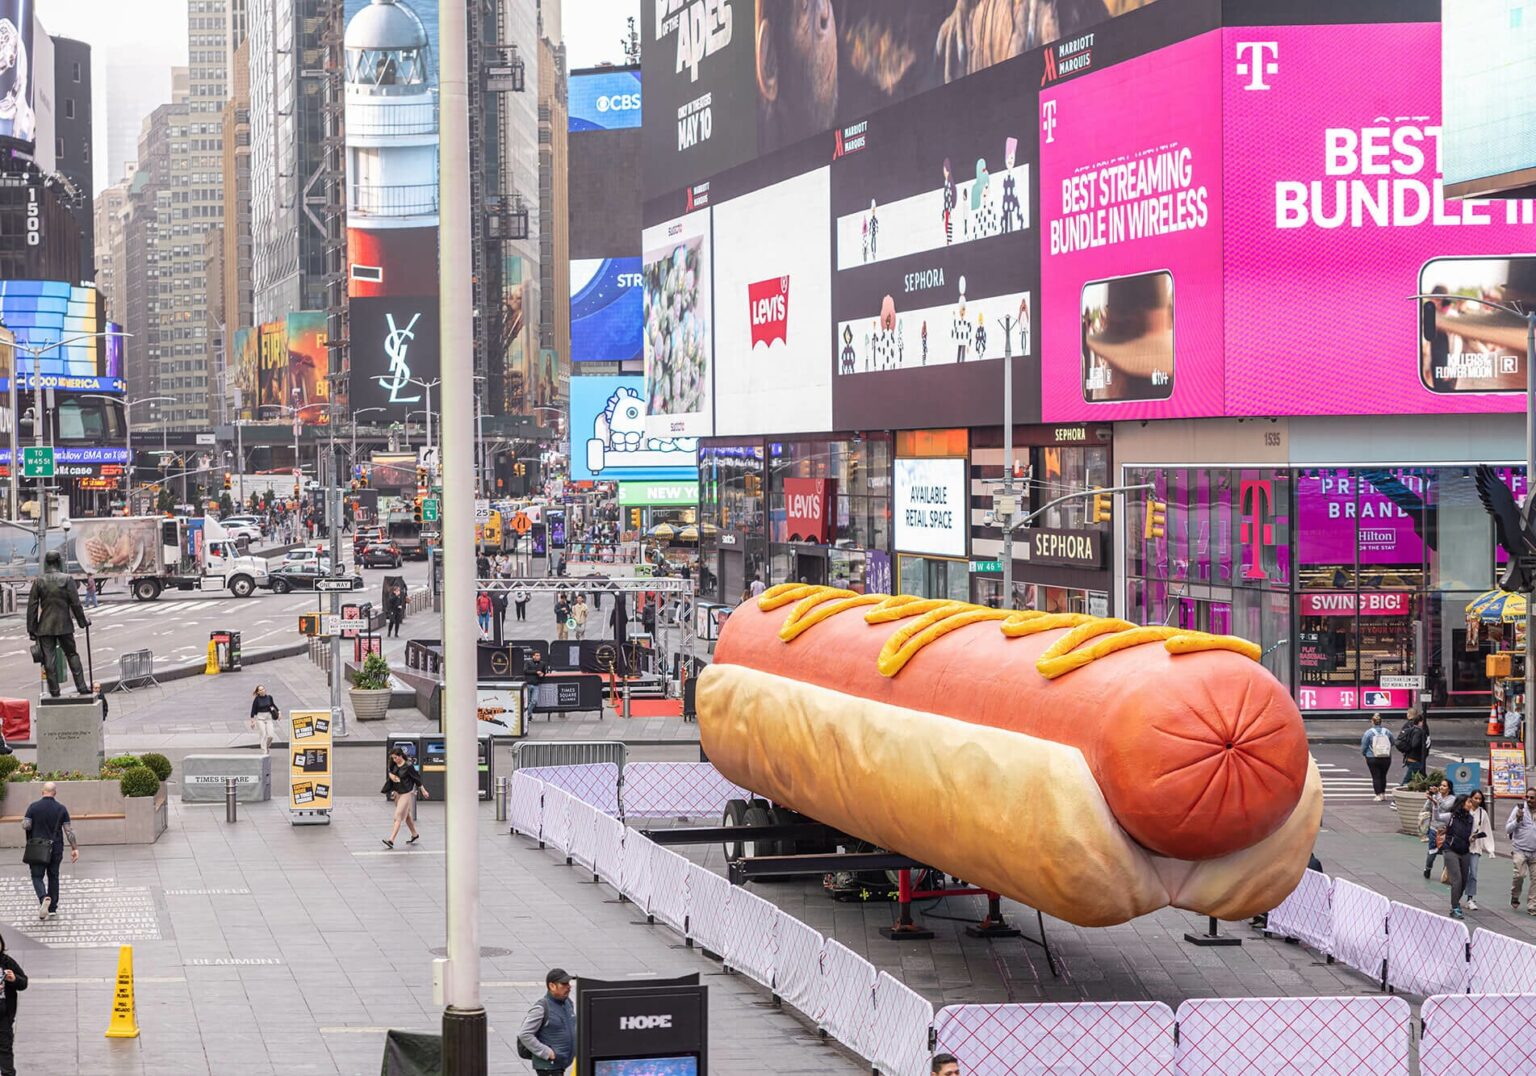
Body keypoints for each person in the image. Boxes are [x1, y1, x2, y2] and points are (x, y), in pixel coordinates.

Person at [26, 550, 91, 697]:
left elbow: (32, 607)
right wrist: (82, 622)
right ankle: (82, 687)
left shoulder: (39, 581)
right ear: (58, 562)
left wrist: (32, 629)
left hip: (45, 627)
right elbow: (75, 604)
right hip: (64, 625)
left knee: (49, 660)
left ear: (46, 563)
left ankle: (54, 692)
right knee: (72, 654)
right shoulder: (67, 579)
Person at [21, 782, 78, 920]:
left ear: (42, 792)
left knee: (36, 876)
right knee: (53, 876)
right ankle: (52, 908)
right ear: (55, 793)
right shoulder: (61, 809)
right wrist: (74, 848)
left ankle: (43, 898)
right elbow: (68, 831)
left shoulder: (33, 807)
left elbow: (26, 825)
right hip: (56, 848)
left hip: (38, 848)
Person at [518, 968, 576, 1073]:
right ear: (552, 986)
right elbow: (524, 1034)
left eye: (568, 983)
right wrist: (547, 1053)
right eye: (564, 984)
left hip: (560, 1064)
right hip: (548, 1067)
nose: (569, 987)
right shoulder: (541, 1008)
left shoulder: (568, 1003)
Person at [1441, 793, 1484, 919]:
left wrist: (1473, 837)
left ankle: (1456, 903)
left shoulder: (1470, 818)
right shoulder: (1451, 816)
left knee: (1464, 881)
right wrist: (1433, 804)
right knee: (1457, 879)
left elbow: (1469, 834)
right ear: (1462, 803)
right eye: (1469, 802)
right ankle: (1454, 907)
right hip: (1450, 850)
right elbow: (1437, 816)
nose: (1471, 804)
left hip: (1465, 850)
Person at [381, 747, 427, 848]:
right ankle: (414, 834)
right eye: (393, 758)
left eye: (395, 757)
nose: (394, 760)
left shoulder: (408, 766)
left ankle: (391, 840)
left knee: (398, 816)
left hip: (406, 793)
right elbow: (390, 771)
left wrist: (423, 790)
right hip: (397, 793)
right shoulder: (393, 764)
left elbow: (416, 779)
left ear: (401, 756)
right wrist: (391, 776)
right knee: (406, 816)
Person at [0, 930, 27, 1076]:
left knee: (5, 1048)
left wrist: (14, 979)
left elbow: (24, 982)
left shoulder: (6, 961)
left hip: (4, 1014)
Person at [1466, 788, 1495, 911]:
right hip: (1462, 846)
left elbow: (1487, 830)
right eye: (1475, 798)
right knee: (1461, 874)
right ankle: (1457, 896)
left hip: (1475, 847)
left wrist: (1490, 849)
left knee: (1473, 873)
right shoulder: (1465, 810)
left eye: (1480, 799)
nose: (1477, 800)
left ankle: (1470, 898)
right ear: (1471, 798)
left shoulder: (1483, 813)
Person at [1507, 788, 1536, 913]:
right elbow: (1508, 829)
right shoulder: (1519, 810)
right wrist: (1517, 820)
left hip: (1535, 851)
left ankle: (1532, 906)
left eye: (1532, 798)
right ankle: (1515, 895)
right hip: (1520, 849)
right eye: (1527, 797)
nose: (1528, 800)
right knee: (1519, 875)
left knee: (1535, 879)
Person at [1422, 778, 1455, 878]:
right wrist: (1430, 797)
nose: (1441, 787)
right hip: (1434, 828)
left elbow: (1444, 807)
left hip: (1445, 830)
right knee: (1432, 851)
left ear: (1449, 789)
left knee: (1446, 853)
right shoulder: (1436, 795)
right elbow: (1426, 808)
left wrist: (1436, 796)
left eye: (1444, 786)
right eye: (1441, 785)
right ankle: (1427, 869)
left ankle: (1445, 873)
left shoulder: (1452, 799)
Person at [1360, 713, 1394, 801]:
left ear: (1372, 722)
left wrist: (1364, 754)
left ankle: (1378, 794)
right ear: (1381, 722)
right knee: (1383, 775)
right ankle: (1383, 793)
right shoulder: (1387, 731)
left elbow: (1364, 746)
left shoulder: (1368, 733)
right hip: (1386, 756)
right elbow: (1392, 742)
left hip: (1372, 757)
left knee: (1376, 776)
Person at [1396, 712, 1428, 787]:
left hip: (1410, 758)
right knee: (1407, 780)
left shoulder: (1412, 729)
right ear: (1420, 722)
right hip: (1415, 760)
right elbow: (1414, 744)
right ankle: (1400, 794)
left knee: (1421, 779)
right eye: (1423, 721)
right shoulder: (1418, 731)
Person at [249, 685, 281, 755]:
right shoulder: (257, 699)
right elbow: (253, 710)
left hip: (268, 718)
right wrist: (252, 721)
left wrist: (279, 712)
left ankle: (267, 746)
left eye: (263, 689)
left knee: (271, 735)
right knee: (263, 734)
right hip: (260, 718)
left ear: (265, 689)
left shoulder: (269, 697)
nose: (262, 691)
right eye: (260, 690)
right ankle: (264, 751)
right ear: (258, 692)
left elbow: (273, 705)